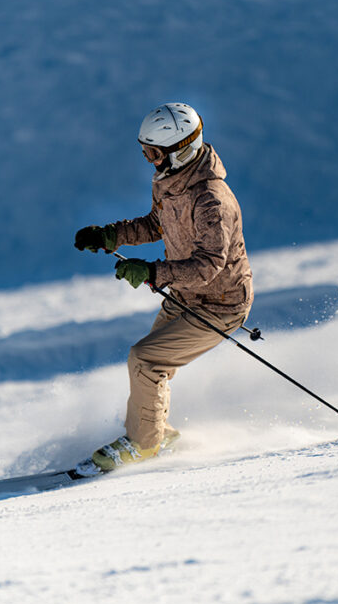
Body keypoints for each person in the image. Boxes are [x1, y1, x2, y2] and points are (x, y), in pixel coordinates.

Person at [73, 102, 254, 472]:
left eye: (154, 153)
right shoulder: (171, 182)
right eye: (145, 152)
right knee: (149, 364)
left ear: (180, 150)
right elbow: (157, 224)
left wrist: (154, 273)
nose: (149, 161)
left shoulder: (211, 200)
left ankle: (143, 444)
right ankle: (155, 433)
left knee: (146, 359)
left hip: (220, 303)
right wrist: (112, 235)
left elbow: (209, 265)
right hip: (188, 295)